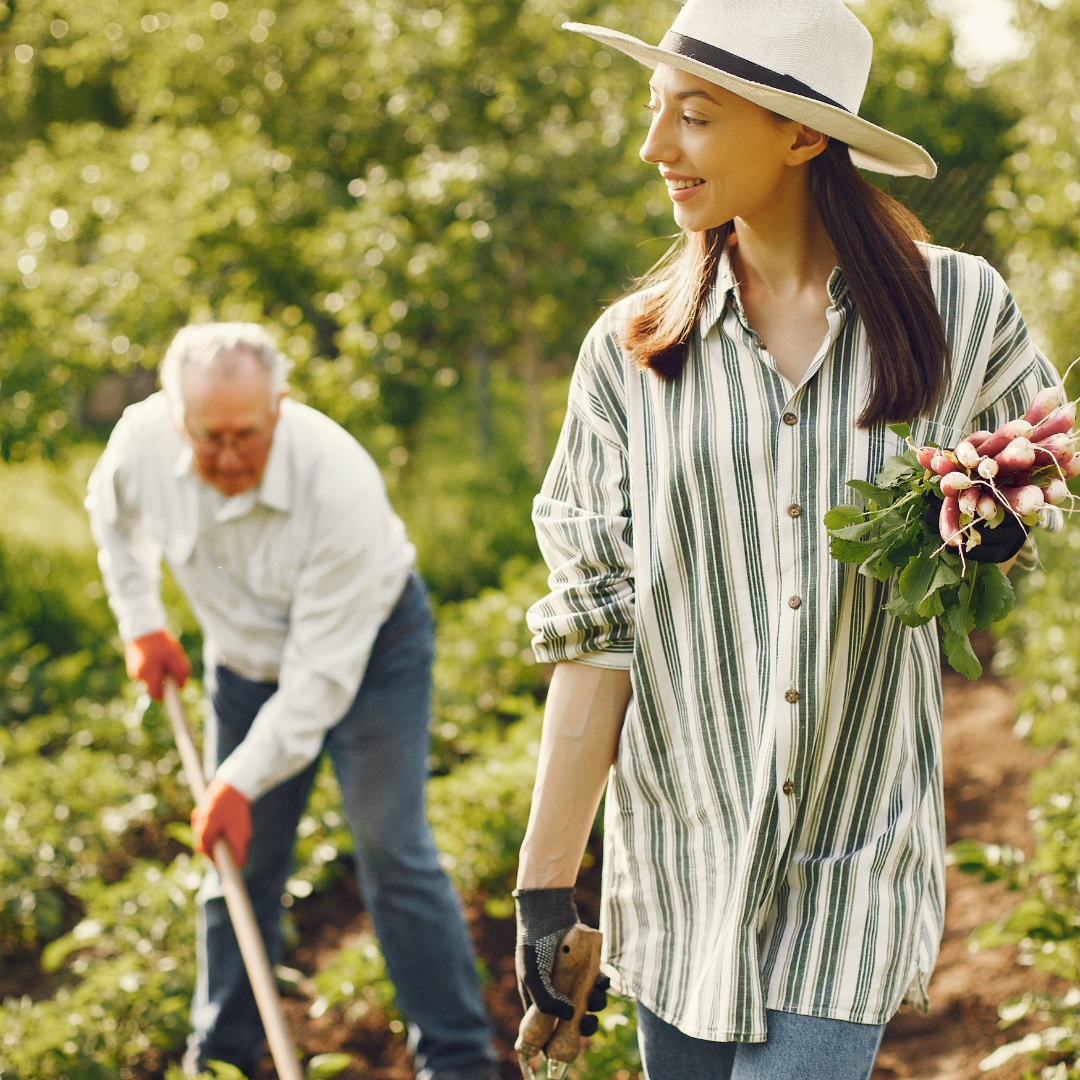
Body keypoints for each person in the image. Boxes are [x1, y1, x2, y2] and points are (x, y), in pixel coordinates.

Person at [512, 2, 1061, 1078]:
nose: (654, 147)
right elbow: (598, 631)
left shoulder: (956, 307)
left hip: (856, 847)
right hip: (683, 858)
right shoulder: (632, 357)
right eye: (658, 111)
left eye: (696, 118)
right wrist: (543, 886)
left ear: (803, 134)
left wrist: (990, 522)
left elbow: (1038, 482)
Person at [85, 323, 498, 1080]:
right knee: (235, 864)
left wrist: (238, 781)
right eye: (210, 438)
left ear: (280, 407)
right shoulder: (140, 446)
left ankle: (459, 1060)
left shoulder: (335, 480)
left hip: (370, 653)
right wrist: (142, 624)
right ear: (176, 418)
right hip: (243, 665)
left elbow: (318, 680)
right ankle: (222, 1056)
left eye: (248, 434)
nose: (231, 457)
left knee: (390, 847)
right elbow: (112, 522)